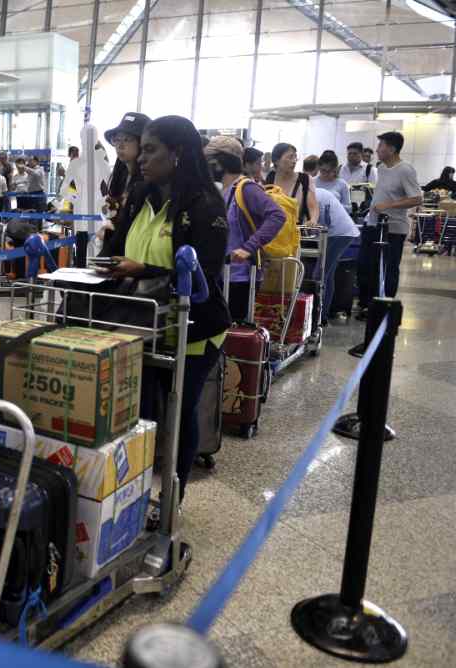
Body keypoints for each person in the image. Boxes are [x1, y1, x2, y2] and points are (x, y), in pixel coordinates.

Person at [99, 115, 231, 508]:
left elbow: (202, 276)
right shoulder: (139, 195)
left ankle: (172, 497)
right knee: (138, 413)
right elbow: (116, 251)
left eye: (151, 149)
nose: (141, 157)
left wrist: (144, 270)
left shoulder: (205, 206)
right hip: (141, 321)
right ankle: (132, 493)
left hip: (193, 328)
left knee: (177, 412)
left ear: (178, 154)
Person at [205, 135, 286, 322]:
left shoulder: (247, 189)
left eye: (209, 161)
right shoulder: (222, 190)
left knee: (233, 330)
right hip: (221, 274)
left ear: (220, 162)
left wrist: (248, 247)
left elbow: (277, 215)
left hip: (239, 278)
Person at [356, 131, 421, 319]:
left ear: (392, 149)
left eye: (381, 146)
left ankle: (384, 307)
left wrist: (389, 206)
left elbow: (416, 198)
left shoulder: (405, 170)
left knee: (388, 268)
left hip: (393, 228)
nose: (377, 149)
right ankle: (368, 304)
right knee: (366, 265)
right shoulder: (381, 168)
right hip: (373, 223)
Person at [313, 188, 359, 325]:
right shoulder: (315, 192)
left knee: (320, 274)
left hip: (339, 233)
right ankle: (323, 315)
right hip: (339, 232)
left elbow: (324, 223)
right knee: (327, 274)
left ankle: (318, 317)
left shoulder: (313, 195)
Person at [102, 112, 150, 240]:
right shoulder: (120, 175)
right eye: (116, 139)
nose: (120, 145)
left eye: (127, 139)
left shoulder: (148, 180)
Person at [266, 142, 319, 225]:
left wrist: (313, 220)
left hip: (295, 232)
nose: (294, 161)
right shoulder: (269, 178)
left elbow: (313, 207)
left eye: (295, 157)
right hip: (272, 231)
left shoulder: (305, 179)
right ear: (276, 161)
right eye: (290, 157)